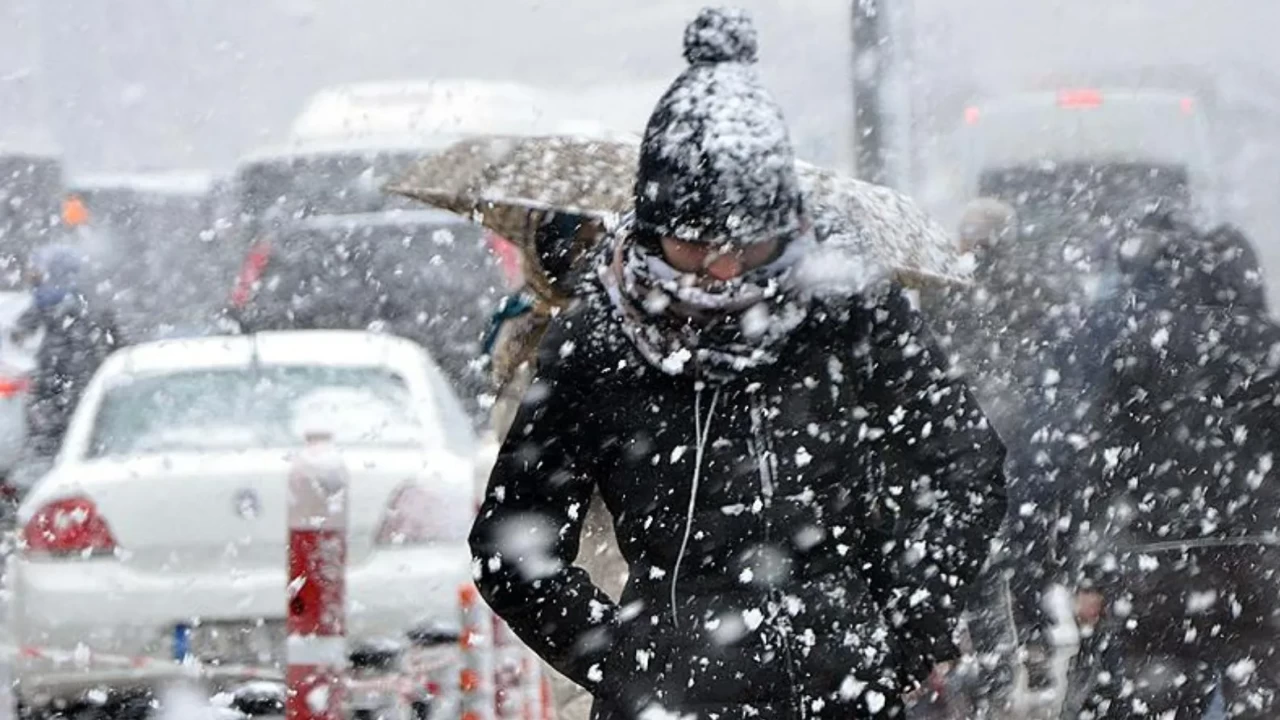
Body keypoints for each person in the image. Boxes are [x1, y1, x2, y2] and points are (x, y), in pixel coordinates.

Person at [469, 8, 1008, 719]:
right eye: (695, 243)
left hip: (844, 692)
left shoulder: (847, 311)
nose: (723, 267)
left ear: (784, 222)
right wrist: (624, 661)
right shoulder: (598, 341)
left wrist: (909, 624)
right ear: (653, 225)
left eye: (748, 243)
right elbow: (513, 546)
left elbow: (966, 464)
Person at [1068, 211, 1280, 719]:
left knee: (1159, 687)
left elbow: (1101, 464)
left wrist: (1094, 571)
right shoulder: (1271, 348)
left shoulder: (1141, 346)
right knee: (1261, 686)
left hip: (1158, 558)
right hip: (1257, 555)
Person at [12, 244, 124, 471]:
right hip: (84, 374)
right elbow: (112, 334)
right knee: (82, 425)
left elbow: (22, 329)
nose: (35, 274)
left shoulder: (47, 298)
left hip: (56, 375)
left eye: (40, 269)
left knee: (51, 431)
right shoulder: (86, 298)